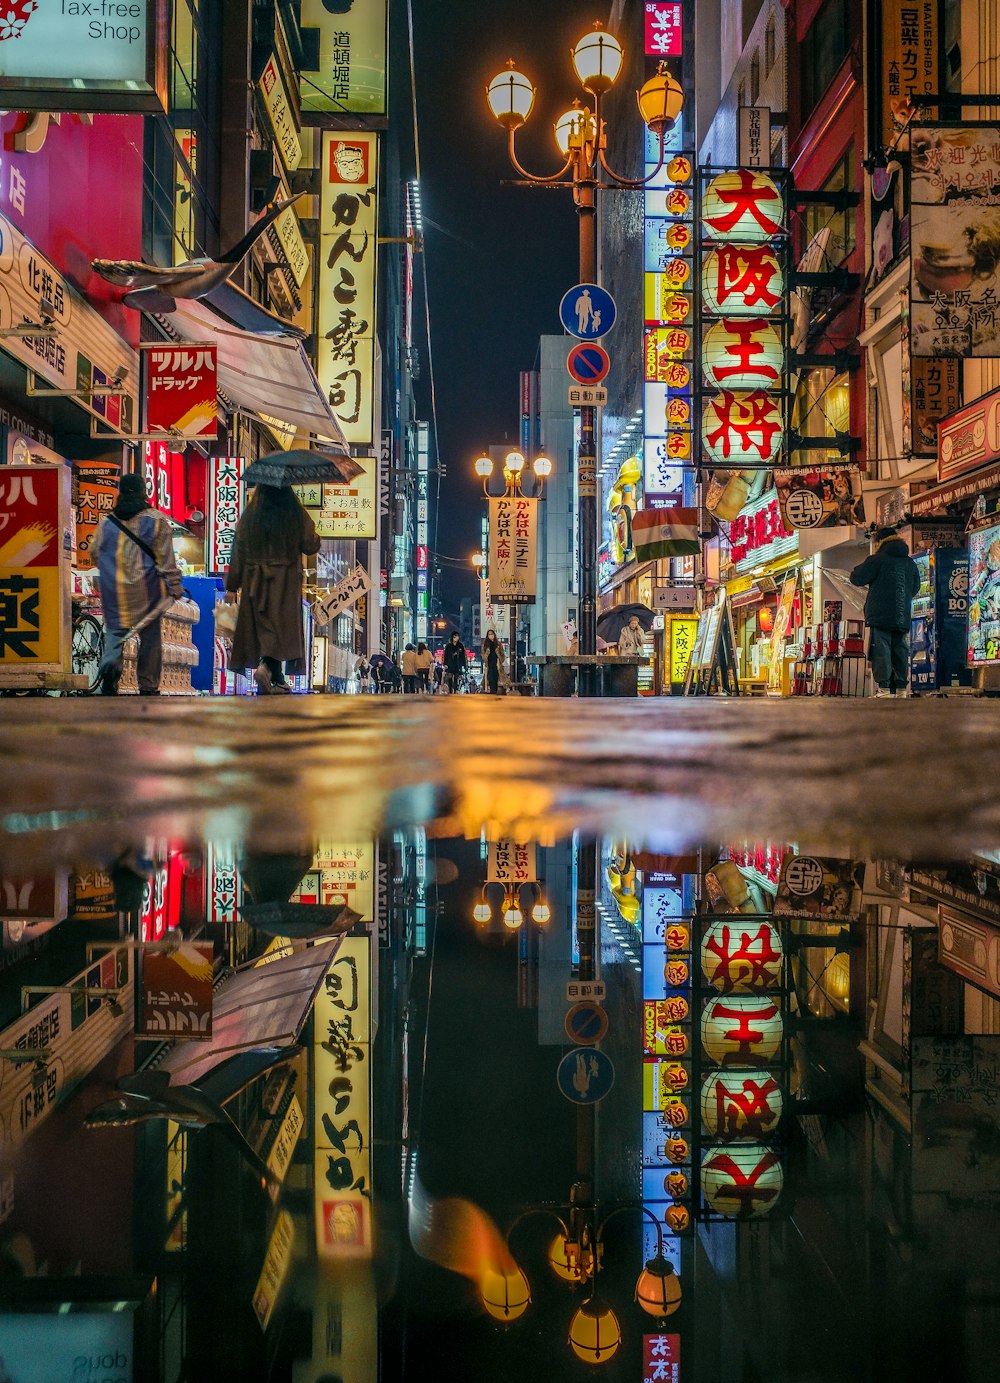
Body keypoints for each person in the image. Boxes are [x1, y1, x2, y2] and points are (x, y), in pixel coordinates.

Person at [94, 472, 184, 696]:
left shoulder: (107, 522)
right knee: (150, 638)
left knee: (115, 632)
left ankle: (110, 665)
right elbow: (165, 561)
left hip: (115, 590)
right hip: (147, 591)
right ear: (144, 491)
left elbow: (95, 551)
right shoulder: (156, 521)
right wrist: (175, 587)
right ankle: (148, 684)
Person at [224, 483, 320, 695]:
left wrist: (232, 585)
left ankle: (275, 677)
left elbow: (238, 548)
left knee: (263, 628)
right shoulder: (294, 513)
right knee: (279, 629)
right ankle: (268, 670)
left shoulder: (251, 514)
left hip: (255, 579)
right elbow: (311, 545)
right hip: (284, 580)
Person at [850, 527, 921, 697]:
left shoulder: (878, 559)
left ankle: (885, 689)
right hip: (901, 614)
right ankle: (901, 689)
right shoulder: (909, 563)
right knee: (900, 649)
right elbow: (915, 587)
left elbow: (856, 578)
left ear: (880, 542)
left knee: (881, 650)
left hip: (880, 614)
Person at [481, 628, 505, 694]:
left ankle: (495, 691)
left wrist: (499, 656)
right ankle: (493, 691)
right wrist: (486, 654)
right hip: (489, 665)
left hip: (497, 665)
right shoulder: (485, 644)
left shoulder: (498, 644)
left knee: (496, 678)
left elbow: (502, 655)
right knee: (490, 678)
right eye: (489, 634)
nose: (491, 636)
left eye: (492, 634)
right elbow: (483, 656)